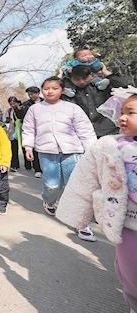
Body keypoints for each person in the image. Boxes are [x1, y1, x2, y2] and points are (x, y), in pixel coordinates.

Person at [57, 91, 137, 312]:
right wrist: (77, 215)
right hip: (127, 226)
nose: (121, 118)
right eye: (121, 112)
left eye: (130, 113)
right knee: (130, 274)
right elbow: (84, 180)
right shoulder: (109, 146)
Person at [21, 76, 97, 240]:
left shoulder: (72, 108)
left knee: (75, 187)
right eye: (46, 88)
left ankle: (82, 224)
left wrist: (91, 150)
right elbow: (28, 129)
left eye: (54, 88)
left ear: (62, 90)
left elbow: (85, 130)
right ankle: (49, 201)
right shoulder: (35, 109)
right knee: (52, 185)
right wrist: (28, 147)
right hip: (47, 152)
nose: (50, 91)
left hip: (72, 151)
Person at [63, 64, 129, 138]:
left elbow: (125, 85)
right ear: (70, 79)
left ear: (91, 75)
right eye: (77, 80)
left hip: (110, 131)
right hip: (84, 134)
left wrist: (106, 72)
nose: (81, 82)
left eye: (84, 78)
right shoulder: (68, 92)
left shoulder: (102, 85)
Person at [17, 86, 43, 177]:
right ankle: (37, 169)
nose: (30, 96)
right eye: (29, 94)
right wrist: (18, 110)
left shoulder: (45, 102)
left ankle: (44, 168)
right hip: (32, 129)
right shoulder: (26, 104)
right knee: (35, 149)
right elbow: (20, 116)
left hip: (43, 128)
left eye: (32, 94)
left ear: (38, 93)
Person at [5, 96, 23, 172]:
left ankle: (28, 164)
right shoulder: (9, 111)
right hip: (13, 130)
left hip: (22, 130)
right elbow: (6, 120)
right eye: (11, 103)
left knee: (24, 147)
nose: (12, 105)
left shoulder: (21, 108)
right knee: (14, 148)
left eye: (13, 103)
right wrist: (8, 120)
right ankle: (14, 165)